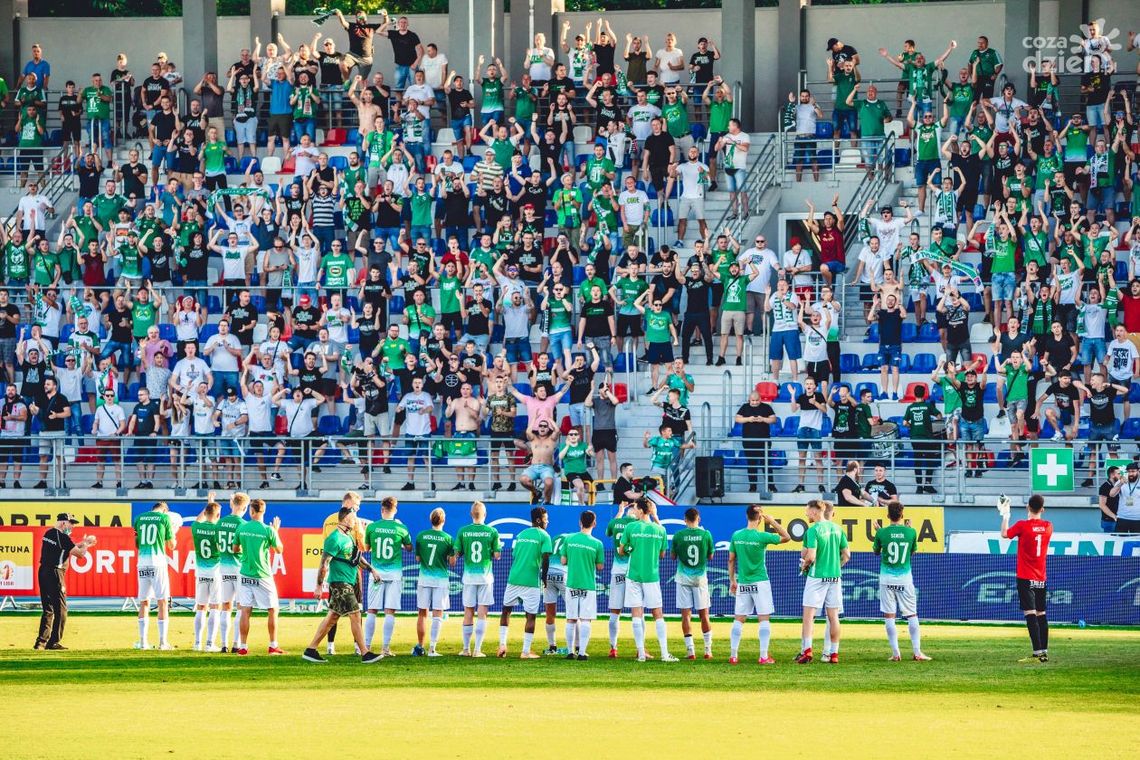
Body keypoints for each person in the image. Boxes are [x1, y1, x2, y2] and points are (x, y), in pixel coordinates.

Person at [302, 506, 382, 664]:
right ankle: (365, 653)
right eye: (354, 518)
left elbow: (357, 557)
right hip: (340, 583)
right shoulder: (334, 539)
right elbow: (324, 564)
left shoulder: (348, 537)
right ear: (346, 519)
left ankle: (310, 650)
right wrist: (319, 586)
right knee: (356, 614)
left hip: (347, 582)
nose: (356, 521)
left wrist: (371, 569)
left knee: (331, 618)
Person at [728, 505, 791, 665]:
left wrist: (732, 580)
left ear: (747, 516)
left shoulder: (737, 535)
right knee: (763, 618)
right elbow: (786, 537)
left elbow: (731, 559)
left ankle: (733, 655)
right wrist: (772, 522)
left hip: (743, 581)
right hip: (760, 581)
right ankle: (763, 656)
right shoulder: (762, 536)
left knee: (739, 619)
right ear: (760, 517)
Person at [872, 500, 932, 661]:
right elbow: (912, 553)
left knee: (889, 617)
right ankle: (917, 652)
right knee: (912, 615)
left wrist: (879, 532)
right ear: (902, 515)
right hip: (905, 579)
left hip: (886, 579)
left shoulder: (881, 532)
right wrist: (907, 530)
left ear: (887, 515)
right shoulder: (910, 532)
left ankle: (896, 653)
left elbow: (876, 552)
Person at [620, 498, 677, 662]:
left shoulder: (631, 527)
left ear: (640, 510)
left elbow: (622, 550)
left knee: (636, 613)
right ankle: (665, 654)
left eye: (636, 508)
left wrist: (632, 548)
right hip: (651, 576)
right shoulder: (660, 530)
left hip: (634, 575)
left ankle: (641, 654)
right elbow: (662, 554)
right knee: (657, 614)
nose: (635, 511)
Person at [999, 494, 1053, 663]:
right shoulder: (1048, 526)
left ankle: (1037, 654)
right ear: (1043, 509)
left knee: (1030, 613)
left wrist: (1005, 515)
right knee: (1041, 613)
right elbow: (1036, 526)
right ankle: (1044, 651)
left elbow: (1004, 534)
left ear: (1028, 508)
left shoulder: (1023, 525)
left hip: (1025, 576)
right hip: (1041, 577)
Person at [795, 499, 850, 664]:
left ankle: (807, 651)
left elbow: (810, 556)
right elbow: (847, 555)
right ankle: (833, 654)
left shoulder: (814, 530)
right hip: (834, 576)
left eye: (807, 510)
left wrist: (804, 567)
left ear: (814, 511)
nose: (806, 514)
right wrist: (836, 567)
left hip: (817, 576)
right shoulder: (838, 529)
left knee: (808, 615)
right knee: (833, 616)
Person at [34, 513, 96, 650]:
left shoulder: (49, 533)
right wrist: (86, 544)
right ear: (63, 523)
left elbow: (68, 547)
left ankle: (41, 642)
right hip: (55, 573)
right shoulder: (62, 537)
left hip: (43, 571)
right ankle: (54, 641)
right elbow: (79, 555)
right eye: (71, 523)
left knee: (48, 609)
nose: (72, 526)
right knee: (61, 609)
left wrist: (82, 543)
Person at [498, 506, 553, 659]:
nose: (547, 521)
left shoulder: (521, 535)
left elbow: (516, 554)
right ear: (538, 520)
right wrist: (544, 577)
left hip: (514, 578)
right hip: (531, 581)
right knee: (530, 616)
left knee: (506, 611)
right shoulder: (544, 536)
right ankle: (525, 651)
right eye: (545, 519)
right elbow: (546, 558)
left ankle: (502, 644)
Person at [363, 496, 412, 656]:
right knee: (389, 611)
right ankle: (385, 648)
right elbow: (410, 548)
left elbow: (366, 548)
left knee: (372, 610)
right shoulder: (401, 528)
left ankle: (367, 647)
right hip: (394, 574)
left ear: (382, 509)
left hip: (376, 573)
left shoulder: (372, 527)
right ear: (395, 510)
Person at [235, 498, 285, 656]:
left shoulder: (242, 528)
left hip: (245, 573)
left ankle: (242, 646)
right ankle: (273, 645)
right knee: (273, 609)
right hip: (262, 574)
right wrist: (275, 531)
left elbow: (235, 549)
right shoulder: (268, 530)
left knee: (245, 610)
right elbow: (279, 550)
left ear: (251, 511)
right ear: (264, 511)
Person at [456, 501, 502, 657]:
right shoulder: (492, 532)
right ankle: (477, 650)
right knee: (482, 612)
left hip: (468, 577)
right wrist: (496, 549)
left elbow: (457, 554)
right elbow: (497, 556)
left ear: (471, 514)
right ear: (485, 514)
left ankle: (466, 649)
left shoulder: (463, 531)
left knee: (468, 611)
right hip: (485, 577)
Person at [671, 507, 715, 660]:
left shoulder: (678, 536)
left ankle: (691, 651)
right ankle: (708, 650)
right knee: (704, 615)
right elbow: (710, 556)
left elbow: (672, 556)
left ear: (685, 519)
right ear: (699, 519)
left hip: (683, 578)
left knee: (686, 615)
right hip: (700, 579)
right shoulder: (706, 534)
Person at [561, 510, 606, 660]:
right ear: (594, 523)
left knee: (571, 618)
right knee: (586, 619)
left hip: (572, 583)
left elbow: (563, 561)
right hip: (588, 585)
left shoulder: (569, 539)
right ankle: (582, 653)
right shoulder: (597, 544)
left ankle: (569, 651)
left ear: (580, 522)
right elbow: (600, 567)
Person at [133, 501, 176, 651]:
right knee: (162, 602)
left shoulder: (139, 518)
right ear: (164, 510)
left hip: (142, 563)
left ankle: (143, 642)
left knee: (144, 602)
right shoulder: (165, 519)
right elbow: (171, 545)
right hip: (158, 563)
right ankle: (163, 642)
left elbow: (137, 543)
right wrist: (173, 535)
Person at [412, 506, 454, 657]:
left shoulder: (421, 536)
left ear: (431, 519)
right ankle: (432, 649)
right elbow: (452, 562)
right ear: (443, 520)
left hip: (424, 578)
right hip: (440, 580)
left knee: (422, 614)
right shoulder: (448, 538)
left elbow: (417, 558)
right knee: (438, 614)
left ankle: (420, 646)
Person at [215, 492, 249, 652]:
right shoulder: (243, 524)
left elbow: (217, 545)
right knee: (240, 607)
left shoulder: (220, 523)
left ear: (231, 504)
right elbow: (242, 547)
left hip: (223, 568)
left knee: (225, 606)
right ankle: (236, 644)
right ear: (246, 507)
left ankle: (223, 644)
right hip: (239, 569)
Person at [190, 497, 223, 652]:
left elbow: (198, 519)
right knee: (216, 606)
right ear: (217, 516)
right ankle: (210, 643)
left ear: (205, 512)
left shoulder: (196, 527)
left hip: (201, 572)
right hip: (216, 572)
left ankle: (197, 643)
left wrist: (209, 503)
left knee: (201, 607)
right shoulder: (218, 530)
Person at [735, 389, 777, 493]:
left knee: (766, 464)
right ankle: (753, 486)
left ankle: (771, 486)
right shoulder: (744, 407)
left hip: (764, 441)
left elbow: (773, 419)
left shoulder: (766, 407)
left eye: (757, 400)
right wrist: (748, 419)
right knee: (751, 464)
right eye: (752, 401)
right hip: (749, 441)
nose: (754, 402)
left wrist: (763, 419)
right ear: (749, 400)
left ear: (760, 399)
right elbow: (737, 419)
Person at [904, 385, 942, 494]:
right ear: (924, 394)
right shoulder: (927, 406)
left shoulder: (910, 407)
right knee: (930, 460)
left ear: (914, 394)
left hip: (915, 438)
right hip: (927, 438)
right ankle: (928, 484)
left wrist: (912, 425)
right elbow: (939, 415)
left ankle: (919, 486)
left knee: (918, 461)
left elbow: (904, 423)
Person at [1112, 462, 1140, 533]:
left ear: (1138, 471)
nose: (1130, 474)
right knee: (1119, 540)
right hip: (1122, 517)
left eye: (1133, 471)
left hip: (1137, 518)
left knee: (1136, 542)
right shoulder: (1121, 481)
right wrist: (1120, 483)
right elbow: (1112, 494)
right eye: (1129, 471)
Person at [1098, 465, 1123, 533]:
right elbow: (1102, 505)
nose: (1120, 475)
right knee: (1111, 541)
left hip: (1119, 519)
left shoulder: (1117, 485)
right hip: (1109, 520)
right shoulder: (1104, 486)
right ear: (1112, 475)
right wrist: (1114, 516)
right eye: (1118, 474)